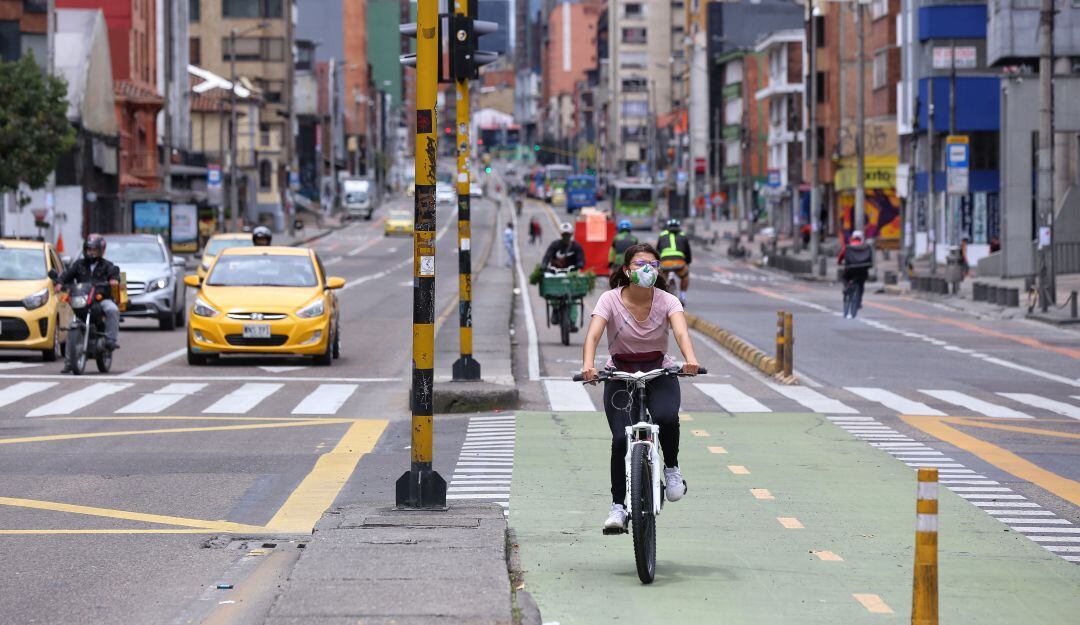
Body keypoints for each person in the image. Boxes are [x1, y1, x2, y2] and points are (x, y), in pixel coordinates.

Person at [580, 243, 701, 532]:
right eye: (638, 264)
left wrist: (691, 360)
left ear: (658, 269)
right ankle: (618, 508)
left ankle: (671, 469)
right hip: (620, 373)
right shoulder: (609, 299)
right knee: (621, 439)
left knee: (667, 417)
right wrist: (589, 365)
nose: (646, 269)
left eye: (652, 264)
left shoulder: (668, 300)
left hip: (659, 370)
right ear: (626, 269)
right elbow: (594, 333)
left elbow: (681, 332)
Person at [56, 234, 121, 362]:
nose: (91, 252)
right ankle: (69, 362)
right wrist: (59, 283)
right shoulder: (78, 264)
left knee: (112, 309)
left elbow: (115, 275)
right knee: (72, 325)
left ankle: (110, 340)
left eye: (94, 250)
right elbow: (66, 275)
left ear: (101, 251)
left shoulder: (107, 265)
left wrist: (114, 281)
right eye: (89, 249)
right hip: (82, 300)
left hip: (100, 299)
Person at [838, 230, 873, 319]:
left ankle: (846, 287)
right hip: (862, 271)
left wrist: (839, 262)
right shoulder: (866, 247)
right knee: (861, 284)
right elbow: (870, 260)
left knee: (844, 277)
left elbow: (841, 256)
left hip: (850, 270)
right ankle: (859, 302)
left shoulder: (848, 246)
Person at [656, 218, 692, 305]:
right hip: (679, 263)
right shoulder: (683, 236)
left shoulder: (662, 235)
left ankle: (661, 297)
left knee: (661, 279)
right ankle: (682, 297)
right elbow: (688, 252)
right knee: (685, 277)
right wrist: (687, 262)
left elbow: (657, 251)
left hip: (665, 263)